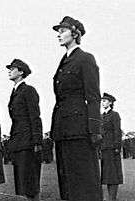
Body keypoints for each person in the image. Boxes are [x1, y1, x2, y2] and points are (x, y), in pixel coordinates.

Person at [51, 16, 103, 201]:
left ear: (75, 33)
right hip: (63, 129)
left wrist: (95, 130)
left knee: (85, 182)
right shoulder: (64, 61)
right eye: (58, 32)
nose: (59, 35)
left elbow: (94, 96)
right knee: (68, 183)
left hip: (79, 130)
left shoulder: (85, 59)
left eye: (63, 31)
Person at [6, 59, 43, 201]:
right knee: (24, 182)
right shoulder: (15, 91)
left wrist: (37, 141)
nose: (9, 71)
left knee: (31, 183)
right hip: (19, 140)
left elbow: (35, 116)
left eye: (12, 68)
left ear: (21, 72)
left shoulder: (28, 90)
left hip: (28, 141)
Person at [100, 93, 123, 201]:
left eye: (105, 101)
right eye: (102, 100)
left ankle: (112, 197)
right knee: (107, 173)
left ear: (110, 102)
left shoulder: (115, 115)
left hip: (112, 147)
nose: (102, 102)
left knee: (113, 173)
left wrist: (117, 146)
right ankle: (109, 197)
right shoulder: (101, 116)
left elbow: (117, 131)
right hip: (103, 148)